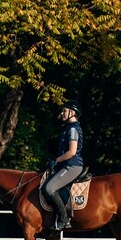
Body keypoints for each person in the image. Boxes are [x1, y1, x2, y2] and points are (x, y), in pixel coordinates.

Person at [41, 99, 84, 231]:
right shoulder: (68, 129)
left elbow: (71, 152)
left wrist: (56, 160)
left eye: (64, 110)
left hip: (72, 166)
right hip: (65, 165)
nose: (62, 113)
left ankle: (64, 220)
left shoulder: (73, 130)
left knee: (49, 188)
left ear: (72, 112)